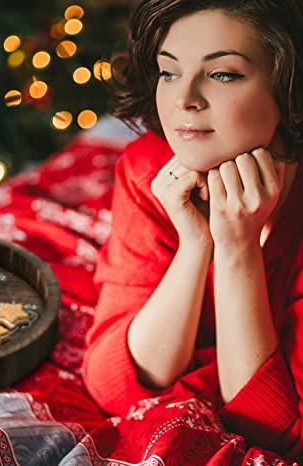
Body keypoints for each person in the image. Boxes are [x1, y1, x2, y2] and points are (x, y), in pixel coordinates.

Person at [82, 0, 303, 458]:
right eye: (169, 72)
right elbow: (112, 383)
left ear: (288, 91)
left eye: (222, 74)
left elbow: (285, 434)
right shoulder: (148, 170)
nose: (184, 99)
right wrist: (195, 245)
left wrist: (238, 246)